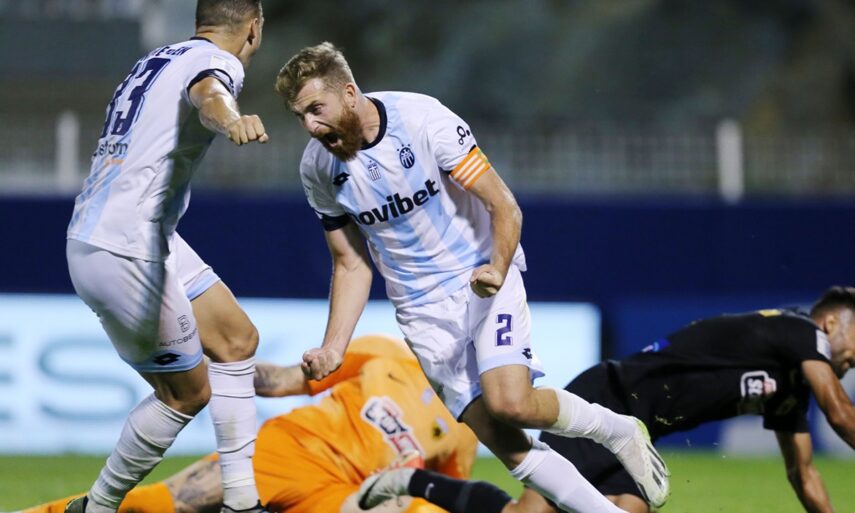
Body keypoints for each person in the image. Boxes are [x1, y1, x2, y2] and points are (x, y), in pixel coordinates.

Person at [274, 42, 669, 513]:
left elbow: (503, 205)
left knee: (512, 403)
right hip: (420, 312)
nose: (310, 126)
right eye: (300, 116)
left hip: (480, 277)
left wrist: (497, 267)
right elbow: (350, 263)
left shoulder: (422, 120)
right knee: (509, 445)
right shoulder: (317, 169)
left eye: (316, 109)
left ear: (349, 93)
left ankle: (616, 430)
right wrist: (333, 347)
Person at [360, 286, 855, 513]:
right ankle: (413, 482)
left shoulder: (790, 387)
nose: (853, 359)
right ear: (831, 322)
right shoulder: (797, 330)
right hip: (607, 400)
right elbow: (841, 413)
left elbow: (804, 475)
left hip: (641, 436)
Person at [64, 2, 268, 512]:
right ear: (253, 27)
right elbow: (209, 95)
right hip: (125, 247)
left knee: (237, 340)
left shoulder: (157, 58)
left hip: (138, 233)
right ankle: (97, 506)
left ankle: (242, 502)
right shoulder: (219, 63)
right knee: (185, 394)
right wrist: (231, 118)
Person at [17, 335, 488, 513]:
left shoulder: (468, 427)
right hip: (289, 452)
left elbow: (439, 494)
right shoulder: (384, 353)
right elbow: (282, 380)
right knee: (154, 506)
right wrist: (209, 367)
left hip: (345, 496)